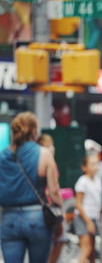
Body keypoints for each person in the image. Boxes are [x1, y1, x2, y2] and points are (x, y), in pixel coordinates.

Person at [0, 112, 62, 263]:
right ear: (34, 132)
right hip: (37, 219)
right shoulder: (44, 154)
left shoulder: (2, 156)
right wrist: (60, 219)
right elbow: (54, 191)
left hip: (9, 219)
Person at [37, 134, 66, 263]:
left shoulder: (35, 160)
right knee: (59, 239)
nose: (52, 147)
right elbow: (53, 189)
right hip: (51, 207)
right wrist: (60, 206)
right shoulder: (49, 160)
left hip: (39, 207)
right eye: (49, 144)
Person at [74, 155, 102, 263]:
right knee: (86, 248)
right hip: (84, 218)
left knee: (92, 253)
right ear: (84, 167)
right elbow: (78, 204)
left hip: (93, 217)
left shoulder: (98, 180)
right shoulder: (82, 181)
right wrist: (88, 222)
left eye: (97, 164)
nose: (95, 167)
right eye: (92, 164)